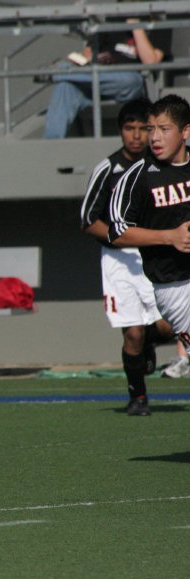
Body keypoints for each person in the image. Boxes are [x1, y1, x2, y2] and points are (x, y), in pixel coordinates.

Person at [79, 99, 174, 416]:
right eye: (129, 129)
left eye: (144, 129)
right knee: (131, 331)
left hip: (157, 250)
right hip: (119, 259)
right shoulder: (107, 169)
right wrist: (120, 236)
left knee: (172, 323)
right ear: (120, 131)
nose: (137, 136)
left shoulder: (162, 167)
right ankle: (139, 398)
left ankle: (147, 343)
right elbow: (89, 221)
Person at [109, 94, 190, 415]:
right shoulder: (137, 176)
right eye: (151, 128)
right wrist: (167, 236)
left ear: (185, 131)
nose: (154, 137)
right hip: (175, 286)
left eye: (163, 128)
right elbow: (116, 231)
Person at [42, 21, 171, 139]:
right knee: (65, 87)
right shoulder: (109, 24)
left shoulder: (156, 25)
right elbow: (87, 55)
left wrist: (136, 27)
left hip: (129, 82)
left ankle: (59, 72)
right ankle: (50, 145)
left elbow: (151, 61)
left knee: (130, 80)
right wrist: (98, 58)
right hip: (99, 78)